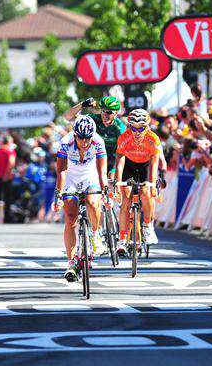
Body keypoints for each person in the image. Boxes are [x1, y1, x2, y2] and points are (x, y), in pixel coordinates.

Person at [54, 115, 108, 282]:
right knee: (70, 218)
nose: (85, 142)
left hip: (90, 175)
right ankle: (71, 263)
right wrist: (58, 195)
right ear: (75, 135)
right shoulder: (65, 142)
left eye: (88, 138)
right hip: (70, 177)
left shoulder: (98, 142)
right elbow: (61, 171)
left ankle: (95, 234)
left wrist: (105, 190)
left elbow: (102, 171)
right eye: (81, 138)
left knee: (93, 203)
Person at [114, 108, 160, 255]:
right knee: (126, 199)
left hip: (146, 165)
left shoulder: (153, 139)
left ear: (147, 126)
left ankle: (148, 226)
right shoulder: (123, 137)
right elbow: (120, 161)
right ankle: (121, 239)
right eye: (133, 128)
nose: (137, 132)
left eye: (141, 128)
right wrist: (117, 182)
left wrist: (152, 185)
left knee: (146, 192)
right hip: (129, 165)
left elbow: (154, 163)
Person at [64, 96, 126, 179]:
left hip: (111, 163)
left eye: (109, 112)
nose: (105, 115)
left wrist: (117, 179)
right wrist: (82, 105)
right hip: (93, 161)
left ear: (116, 112)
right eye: (103, 111)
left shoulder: (120, 128)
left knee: (112, 181)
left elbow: (120, 156)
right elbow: (68, 117)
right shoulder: (93, 119)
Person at [0, 135, 16, 223]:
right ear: (9, 142)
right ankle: (7, 218)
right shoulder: (10, 151)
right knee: (7, 199)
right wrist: (6, 175)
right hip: (7, 178)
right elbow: (11, 163)